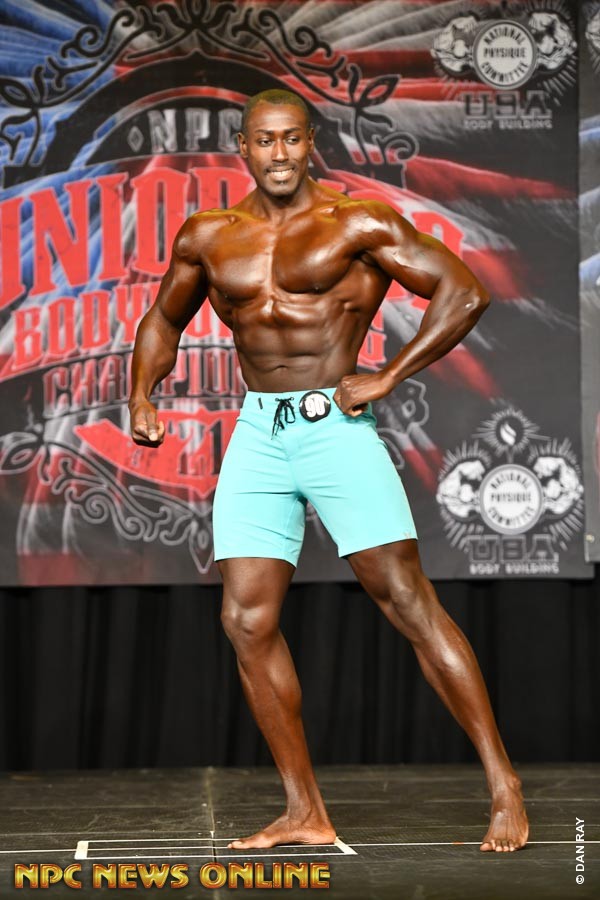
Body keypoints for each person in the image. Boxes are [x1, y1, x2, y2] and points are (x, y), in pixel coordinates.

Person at [129, 89, 529, 853]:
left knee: (406, 601)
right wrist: (142, 393)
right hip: (258, 431)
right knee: (246, 621)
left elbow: (464, 291)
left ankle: (502, 782)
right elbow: (164, 318)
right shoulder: (209, 235)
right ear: (242, 149)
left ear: (310, 142)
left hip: (335, 428)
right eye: (264, 141)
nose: (278, 154)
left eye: (291, 139)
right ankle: (304, 810)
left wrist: (390, 375)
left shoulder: (357, 222)